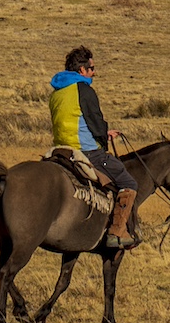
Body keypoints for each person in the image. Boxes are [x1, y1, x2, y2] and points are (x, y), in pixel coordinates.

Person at [49, 45, 142, 250]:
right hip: (87, 152)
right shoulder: (85, 90)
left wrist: (103, 131)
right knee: (129, 182)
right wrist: (104, 133)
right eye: (92, 68)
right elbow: (96, 123)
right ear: (82, 70)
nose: (94, 72)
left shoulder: (57, 92)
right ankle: (117, 232)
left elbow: (76, 119)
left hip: (61, 149)